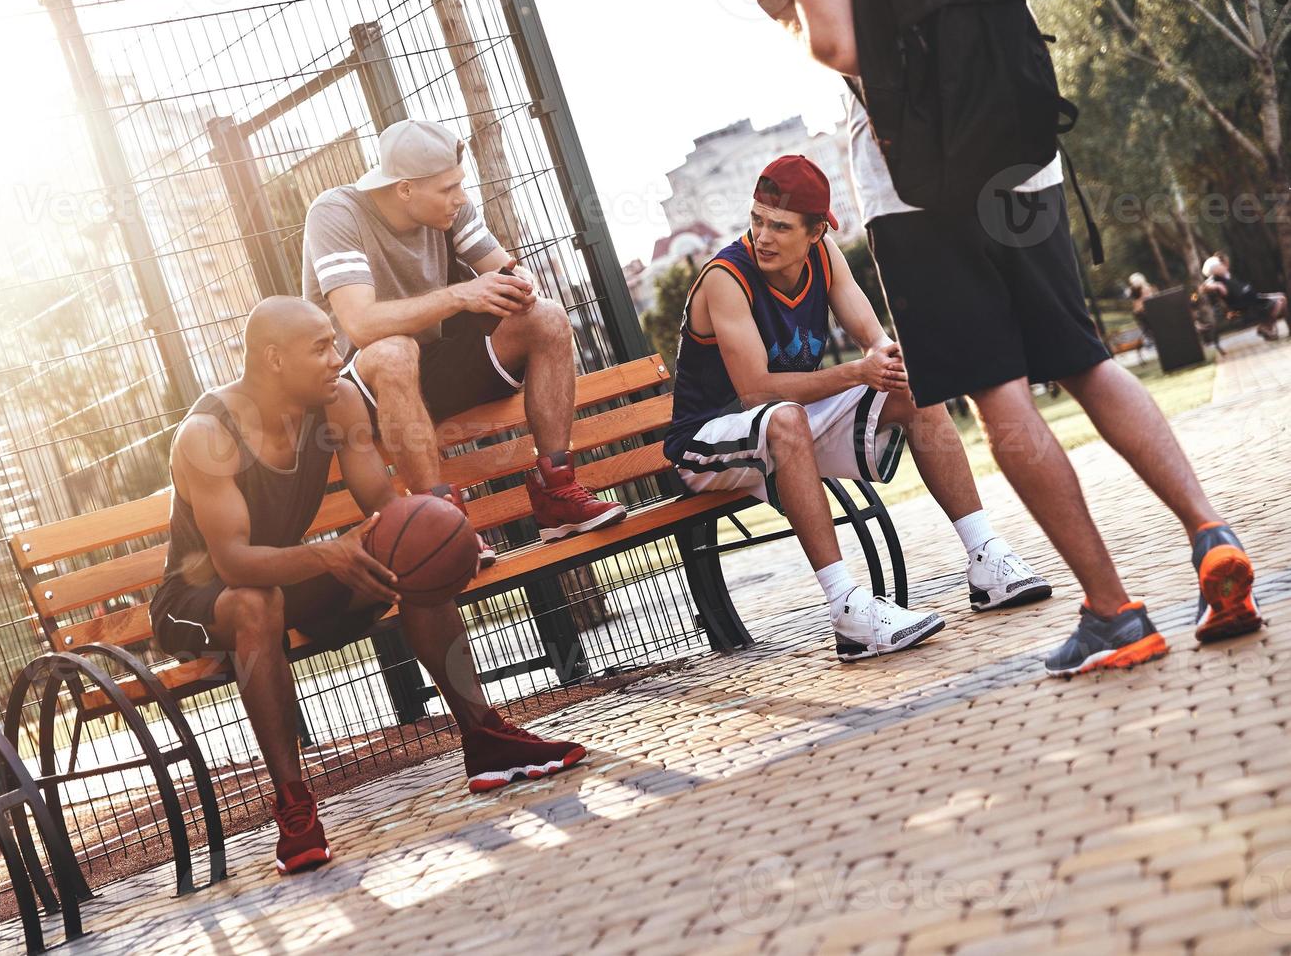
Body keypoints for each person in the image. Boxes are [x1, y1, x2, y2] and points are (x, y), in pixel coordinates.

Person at [761, 0, 1264, 676]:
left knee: (1001, 395)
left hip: (918, 187)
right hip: (1020, 146)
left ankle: (1114, 611)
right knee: (1085, 359)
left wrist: (788, 10)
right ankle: (1210, 531)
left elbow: (841, 42)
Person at [149, 297, 587, 875]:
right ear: (274, 360)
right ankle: (294, 807)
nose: (338, 358)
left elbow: (381, 508)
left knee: (403, 556)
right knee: (256, 602)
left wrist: (433, 527)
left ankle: (486, 739)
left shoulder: (339, 402)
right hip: (198, 601)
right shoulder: (208, 435)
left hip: (290, 576)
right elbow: (233, 565)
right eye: (320, 348)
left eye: (335, 344)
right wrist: (327, 555)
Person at [665, 155, 1052, 662]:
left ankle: (985, 558)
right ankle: (848, 612)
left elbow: (874, 341)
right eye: (757, 219)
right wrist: (855, 373)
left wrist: (894, 359)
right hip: (707, 444)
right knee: (783, 418)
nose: (762, 235)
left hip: (790, 426)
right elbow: (757, 392)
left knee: (912, 389)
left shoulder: (825, 257)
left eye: (779, 226)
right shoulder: (725, 278)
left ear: (816, 231)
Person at [301, 120, 627, 567]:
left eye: (460, 185)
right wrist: (459, 295)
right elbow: (360, 325)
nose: (459, 197)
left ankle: (557, 495)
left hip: (434, 367)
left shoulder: (450, 210)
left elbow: (506, 272)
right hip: (365, 386)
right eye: (447, 188)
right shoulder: (337, 213)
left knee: (547, 316)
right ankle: (444, 528)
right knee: (395, 348)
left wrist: (519, 286)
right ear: (404, 190)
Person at [1199, 254, 1289, 341]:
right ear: (1215, 269)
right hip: (1246, 304)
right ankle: (1266, 326)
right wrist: (1217, 286)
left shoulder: (1226, 275)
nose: (1223, 266)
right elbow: (1203, 287)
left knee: (1281, 298)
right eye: (1220, 265)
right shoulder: (1215, 280)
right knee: (1280, 301)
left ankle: (1267, 327)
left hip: (1253, 297)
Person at [1125, 273, 1157, 346]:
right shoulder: (1134, 293)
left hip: (1149, 312)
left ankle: (1150, 338)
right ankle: (1150, 338)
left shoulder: (1147, 288)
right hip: (1143, 313)